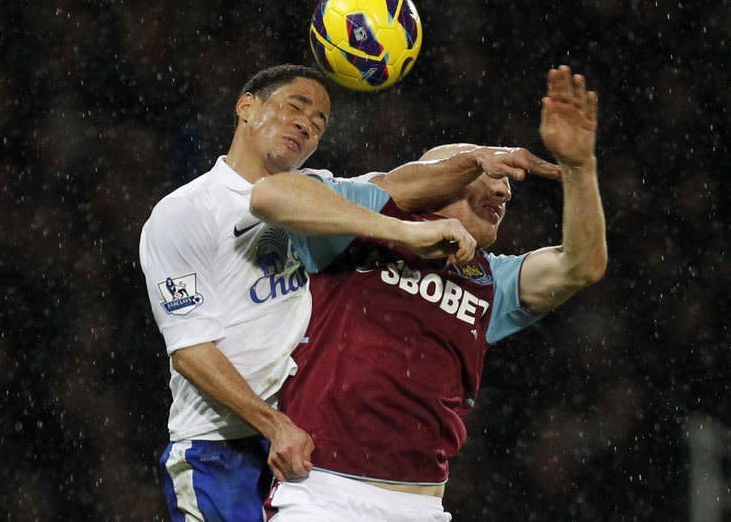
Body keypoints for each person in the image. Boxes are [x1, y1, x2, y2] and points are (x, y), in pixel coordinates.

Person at [139, 63, 559, 521]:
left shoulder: (326, 197)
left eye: (319, 123)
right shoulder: (184, 212)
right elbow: (190, 350)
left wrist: (476, 160)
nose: (306, 124)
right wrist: (272, 423)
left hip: (302, 453)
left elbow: (401, 185)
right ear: (246, 107)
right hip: (221, 448)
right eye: (294, 108)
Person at [250, 65, 607, 521]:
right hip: (321, 492)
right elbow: (271, 195)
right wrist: (403, 230)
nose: (502, 189)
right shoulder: (361, 223)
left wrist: (580, 167)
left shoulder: (489, 279)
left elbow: (582, 264)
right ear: (445, 176)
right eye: (489, 174)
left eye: (505, 185)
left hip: (421, 504)